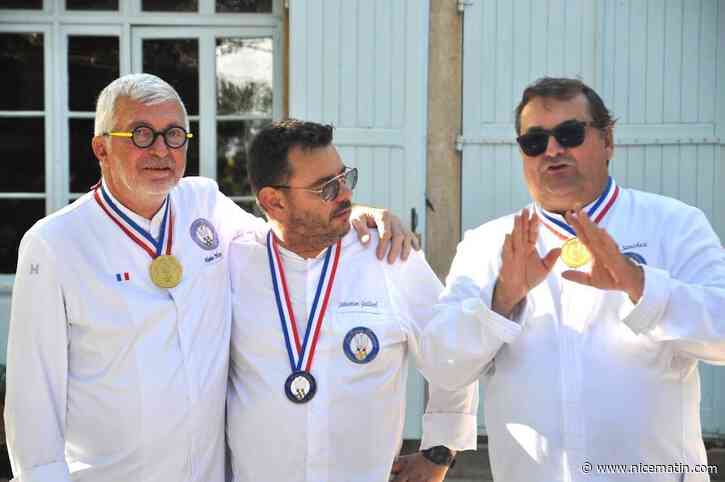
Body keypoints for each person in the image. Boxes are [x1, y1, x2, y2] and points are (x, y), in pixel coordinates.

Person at [4, 74, 416, 482]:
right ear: (101, 147)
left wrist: (355, 212)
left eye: (175, 135)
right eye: (142, 134)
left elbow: (282, 231)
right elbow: (32, 401)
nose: (162, 150)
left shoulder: (203, 203)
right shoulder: (55, 244)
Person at [426, 77, 725, 481]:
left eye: (569, 133)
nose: (552, 150)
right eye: (534, 141)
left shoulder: (674, 224)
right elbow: (442, 365)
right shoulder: (487, 245)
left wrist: (638, 285)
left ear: (608, 141)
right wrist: (502, 299)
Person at [225, 119, 478, 482]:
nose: (344, 194)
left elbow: (452, 353)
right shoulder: (232, 260)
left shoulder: (390, 256)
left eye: (344, 178)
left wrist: (439, 452)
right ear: (274, 201)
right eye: (325, 188)